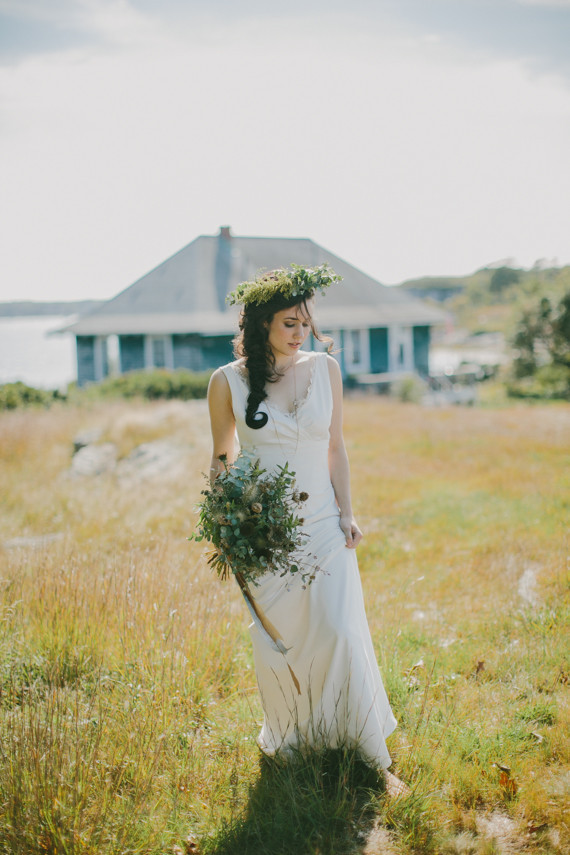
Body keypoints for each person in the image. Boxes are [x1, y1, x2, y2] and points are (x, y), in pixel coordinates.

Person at [207, 265, 406, 796]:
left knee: (339, 631)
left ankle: (369, 756)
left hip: (323, 521)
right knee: (281, 644)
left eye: (304, 322)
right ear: (260, 325)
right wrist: (226, 524)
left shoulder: (326, 370)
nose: (299, 333)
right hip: (264, 530)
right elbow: (223, 458)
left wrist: (348, 512)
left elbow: (336, 448)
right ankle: (297, 741)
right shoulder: (226, 380)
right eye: (288, 323)